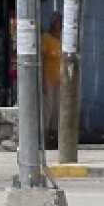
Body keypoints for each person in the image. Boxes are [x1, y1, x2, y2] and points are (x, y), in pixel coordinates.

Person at [41, 13, 62, 143]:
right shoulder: (46, 38)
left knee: (57, 109)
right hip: (48, 78)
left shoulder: (61, 40)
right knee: (48, 108)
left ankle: (54, 135)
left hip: (59, 79)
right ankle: (44, 134)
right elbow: (42, 59)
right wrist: (42, 81)